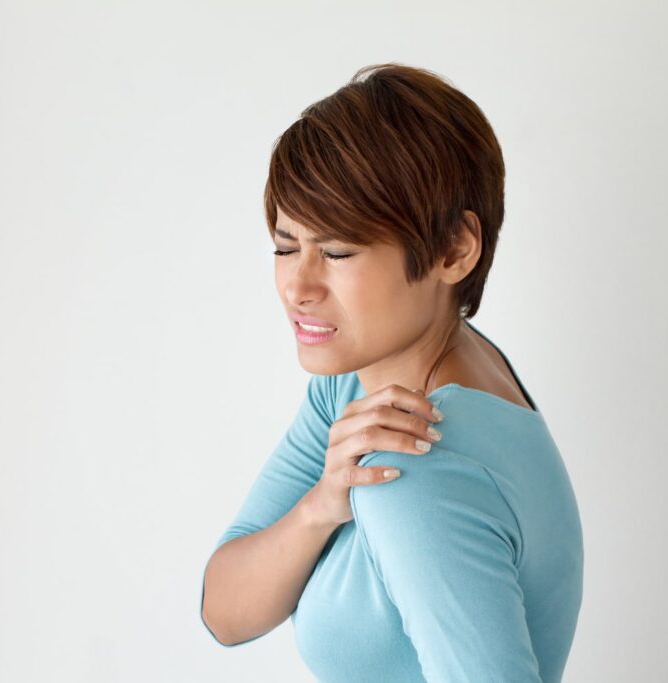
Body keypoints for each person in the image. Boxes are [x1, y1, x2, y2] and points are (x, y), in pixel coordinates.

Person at [199, 62, 584, 682]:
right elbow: (225, 610)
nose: (297, 286)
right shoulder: (366, 382)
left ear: (454, 249)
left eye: (338, 251)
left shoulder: (415, 460)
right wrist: (321, 505)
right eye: (284, 246)